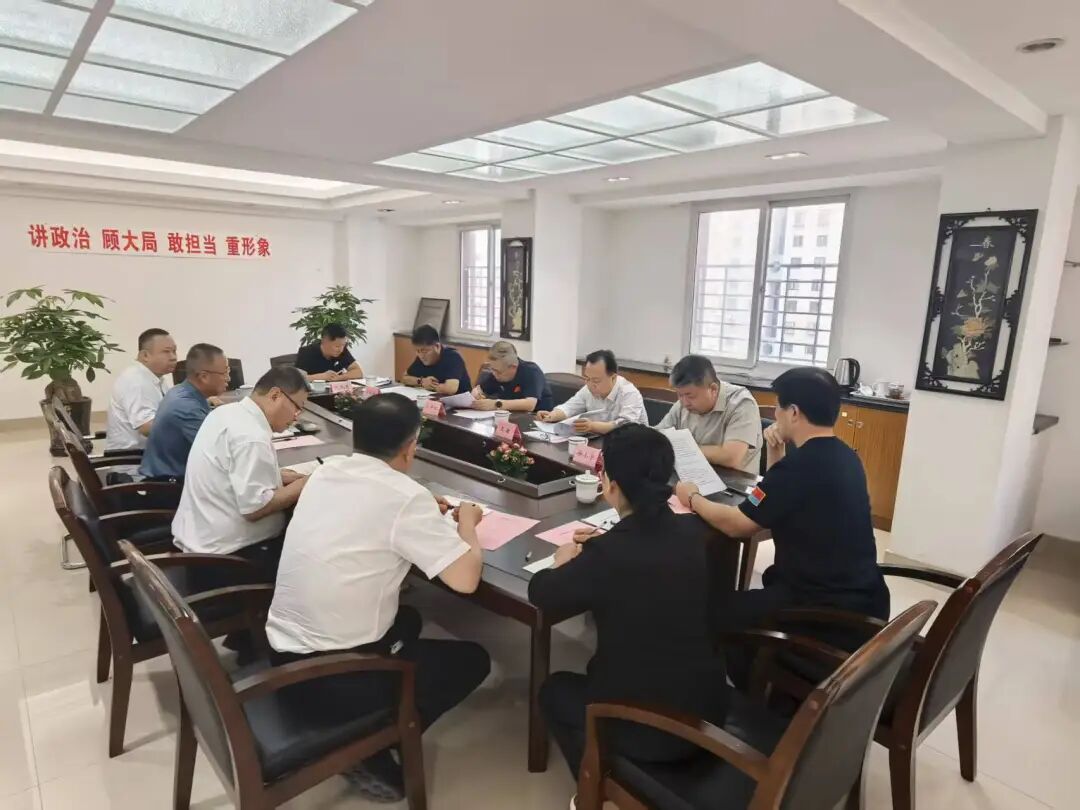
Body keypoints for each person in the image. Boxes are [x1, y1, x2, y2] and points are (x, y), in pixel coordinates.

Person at [265, 393, 491, 801]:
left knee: (409, 620)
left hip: (282, 654)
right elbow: (466, 579)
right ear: (411, 446)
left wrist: (419, 508)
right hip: (334, 676)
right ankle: (370, 741)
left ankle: (367, 720)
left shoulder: (327, 472)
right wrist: (468, 523)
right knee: (472, 659)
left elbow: (370, 511)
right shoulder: (404, 497)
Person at [530, 424, 728, 788]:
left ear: (611, 485)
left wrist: (562, 561)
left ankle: (595, 789)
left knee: (553, 691)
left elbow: (542, 593)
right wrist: (605, 545)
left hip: (652, 730)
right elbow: (642, 554)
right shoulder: (693, 532)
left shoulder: (606, 555)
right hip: (710, 711)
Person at [675, 367, 889, 685]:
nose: (775, 414)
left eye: (778, 407)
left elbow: (738, 525)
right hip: (865, 598)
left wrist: (692, 497)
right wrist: (776, 451)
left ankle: (745, 690)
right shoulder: (845, 456)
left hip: (821, 611)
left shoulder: (799, 468)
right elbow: (776, 500)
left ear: (794, 412)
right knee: (740, 603)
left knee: (712, 611)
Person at [171, 366, 311, 579]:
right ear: (275, 395)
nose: (296, 417)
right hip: (228, 561)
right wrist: (308, 482)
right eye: (297, 407)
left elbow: (230, 470)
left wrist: (279, 476)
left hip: (200, 540)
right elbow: (255, 508)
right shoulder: (251, 437)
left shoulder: (227, 412)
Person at [139, 344, 230, 484]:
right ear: (204, 377)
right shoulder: (186, 407)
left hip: (179, 477)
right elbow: (220, 453)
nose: (228, 378)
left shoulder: (182, 391)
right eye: (224, 373)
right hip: (170, 487)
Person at [655, 354, 762, 474]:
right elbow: (658, 437)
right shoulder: (683, 403)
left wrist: (684, 449)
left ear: (713, 389)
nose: (684, 403)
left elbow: (731, 457)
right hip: (692, 475)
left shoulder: (741, 404)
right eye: (679, 395)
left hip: (734, 482)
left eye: (691, 396)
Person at [538, 349, 646, 434]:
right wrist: (552, 415)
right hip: (600, 441)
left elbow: (625, 425)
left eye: (596, 380)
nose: (590, 385)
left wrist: (592, 426)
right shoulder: (588, 388)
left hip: (633, 445)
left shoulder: (629, 392)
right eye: (587, 378)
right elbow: (569, 407)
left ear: (613, 378)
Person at [104, 328, 177, 452]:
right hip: (134, 458)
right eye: (166, 352)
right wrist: (185, 428)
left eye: (174, 351)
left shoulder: (155, 377)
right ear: (145, 356)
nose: (173, 357)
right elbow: (147, 427)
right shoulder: (136, 382)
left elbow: (171, 408)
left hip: (150, 453)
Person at [470, 341, 553, 412]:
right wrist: (476, 394)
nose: (494, 374)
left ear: (513, 367)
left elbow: (530, 404)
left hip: (536, 418)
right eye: (492, 369)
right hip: (510, 417)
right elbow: (480, 389)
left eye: (498, 372)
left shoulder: (531, 371)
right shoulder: (497, 372)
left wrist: (496, 404)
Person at [401, 325, 471, 394]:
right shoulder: (421, 357)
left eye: (424, 351)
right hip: (434, 398)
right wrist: (421, 381)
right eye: (417, 351)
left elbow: (450, 389)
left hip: (459, 400)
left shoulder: (453, 357)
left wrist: (430, 385)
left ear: (437, 346)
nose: (421, 355)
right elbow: (405, 378)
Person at [295, 323, 364, 381]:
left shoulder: (342, 351)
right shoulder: (306, 352)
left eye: (343, 345)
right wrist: (321, 377)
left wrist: (339, 377)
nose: (341, 349)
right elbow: (297, 379)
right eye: (337, 346)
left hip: (335, 392)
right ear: (324, 341)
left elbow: (359, 372)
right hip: (313, 392)